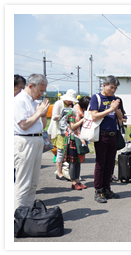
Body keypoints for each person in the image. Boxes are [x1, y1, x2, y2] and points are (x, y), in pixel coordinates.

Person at [14, 74, 49, 210]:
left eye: (43, 91)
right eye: (40, 90)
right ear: (30, 86)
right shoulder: (19, 101)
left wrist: (43, 114)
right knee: (23, 182)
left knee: (33, 182)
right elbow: (24, 125)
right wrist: (38, 113)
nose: (41, 94)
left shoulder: (35, 103)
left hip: (37, 139)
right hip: (24, 141)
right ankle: (16, 216)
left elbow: (42, 125)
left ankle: (27, 213)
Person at [90, 75, 123, 203]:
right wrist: (110, 109)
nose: (113, 90)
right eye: (111, 87)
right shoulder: (96, 98)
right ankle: (98, 191)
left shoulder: (114, 99)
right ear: (104, 85)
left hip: (113, 134)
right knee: (100, 164)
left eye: (115, 88)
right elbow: (94, 116)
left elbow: (120, 116)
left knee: (110, 163)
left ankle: (107, 188)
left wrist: (116, 108)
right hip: (101, 135)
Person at [48, 89, 78, 181]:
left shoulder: (71, 105)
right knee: (60, 152)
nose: (70, 101)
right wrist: (63, 115)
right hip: (58, 131)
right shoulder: (58, 103)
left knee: (66, 152)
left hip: (67, 131)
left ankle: (64, 172)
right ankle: (59, 173)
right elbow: (54, 117)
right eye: (70, 99)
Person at [63, 96, 91, 190]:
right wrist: (84, 119)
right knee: (73, 162)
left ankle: (78, 181)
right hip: (73, 138)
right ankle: (73, 182)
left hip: (81, 138)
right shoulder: (73, 112)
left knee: (79, 161)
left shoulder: (82, 112)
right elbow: (73, 127)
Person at [112, 96, 127, 182]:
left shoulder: (119, 111)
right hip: (110, 133)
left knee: (113, 156)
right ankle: (109, 174)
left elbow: (121, 122)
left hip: (117, 133)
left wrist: (118, 114)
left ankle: (111, 174)